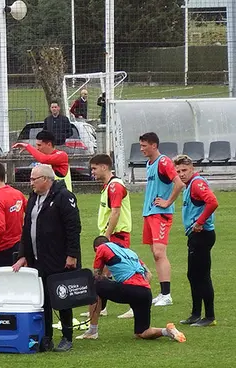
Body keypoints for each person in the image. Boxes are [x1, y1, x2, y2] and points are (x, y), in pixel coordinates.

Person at [13, 164, 81, 352]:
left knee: (62, 297)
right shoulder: (33, 198)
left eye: (34, 179)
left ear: (45, 179)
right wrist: (23, 255)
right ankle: (46, 336)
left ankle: (67, 336)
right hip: (38, 257)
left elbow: (74, 227)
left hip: (59, 257)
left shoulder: (63, 197)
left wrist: (72, 254)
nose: (31, 183)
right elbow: (27, 228)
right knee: (43, 299)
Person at [79, 236, 186, 343]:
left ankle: (92, 331)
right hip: (145, 292)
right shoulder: (130, 252)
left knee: (94, 283)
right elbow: (149, 275)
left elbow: (97, 276)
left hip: (130, 289)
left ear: (96, 248)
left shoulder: (102, 248)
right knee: (142, 332)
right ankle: (167, 331)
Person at [139, 132, 185, 307]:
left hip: (160, 214)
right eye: (141, 146)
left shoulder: (163, 161)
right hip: (150, 213)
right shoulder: (149, 164)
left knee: (159, 253)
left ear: (154, 145)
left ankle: (167, 295)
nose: (141, 149)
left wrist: (167, 202)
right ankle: (163, 293)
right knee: (155, 254)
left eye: (144, 146)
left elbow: (179, 183)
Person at [87, 154, 133, 319]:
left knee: (122, 271)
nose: (92, 172)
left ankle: (134, 305)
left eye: (94, 168)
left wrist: (106, 237)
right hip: (112, 235)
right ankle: (101, 308)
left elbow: (115, 212)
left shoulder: (114, 186)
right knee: (103, 273)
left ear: (104, 167)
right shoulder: (108, 186)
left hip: (116, 235)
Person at [174, 155, 218, 327]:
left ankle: (209, 316)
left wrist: (200, 222)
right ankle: (195, 313)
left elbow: (212, 202)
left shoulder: (197, 183)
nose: (181, 174)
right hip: (196, 236)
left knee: (202, 276)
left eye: (184, 170)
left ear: (192, 168)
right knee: (193, 275)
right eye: (178, 171)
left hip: (202, 235)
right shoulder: (189, 185)